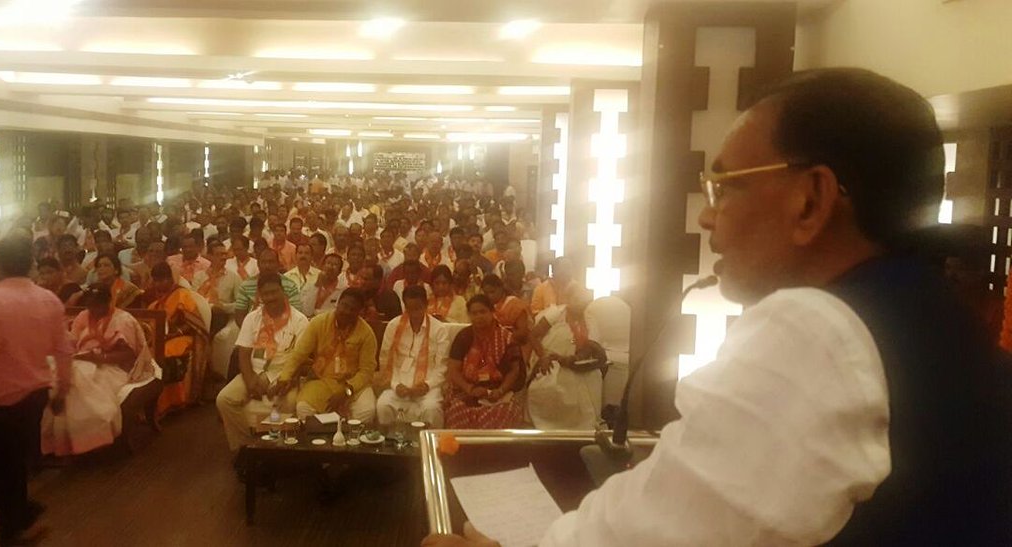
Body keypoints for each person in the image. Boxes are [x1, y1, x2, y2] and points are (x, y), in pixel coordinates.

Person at [429, 68, 1012, 547]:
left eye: (726, 186)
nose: (708, 216)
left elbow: (650, 533)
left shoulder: (815, 332)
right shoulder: (936, 322)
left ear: (811, 200)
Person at [0, 234, 73, 545]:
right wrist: (62, 390)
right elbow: (64, 350)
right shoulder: (48, 300)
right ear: (30, 264)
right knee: (12, 464)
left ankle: (20, 514)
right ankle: (14, 524)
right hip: (35, 393)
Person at [41, 284, 155, 457]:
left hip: (112, 368)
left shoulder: (123, 320)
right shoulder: (83, 316)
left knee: (79, 384)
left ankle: (89, 439)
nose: (92, 310)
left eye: (97, 305)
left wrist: (99, 358)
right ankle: (62, 440)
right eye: (89, 305)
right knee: (57, 374)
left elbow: (129, 354)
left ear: (108, 302)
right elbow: (73, 343)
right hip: (82, 361)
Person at [216, 272, 309, 452]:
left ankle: (281, 450)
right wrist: (250, 380)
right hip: (255, 371)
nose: (270, 297)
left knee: (290, 403)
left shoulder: (299, 320)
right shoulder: (253, 318)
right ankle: (244, 448)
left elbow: (300, 360)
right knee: (224, 399)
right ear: (259, 295)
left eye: (274, 292)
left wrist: (286, 381)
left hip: (283, 374)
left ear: (283, 291)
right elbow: (243, 354)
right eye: (266, 294)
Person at [272, 288, 377, 422]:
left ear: (360, 312)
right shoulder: (319, 323)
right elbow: (299, 354)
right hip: (322, 380)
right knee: (304, 408)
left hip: (353, 385)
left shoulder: (366, 333)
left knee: (367, 411)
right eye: (344, 306)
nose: (347, 311)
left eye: (353, 309)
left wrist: (346, 391)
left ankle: (347, 434)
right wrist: (285, 377)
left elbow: (366, 372)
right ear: (337, 304)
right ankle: (323, 434)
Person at [525, 282, 606, 430]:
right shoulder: (556, 313)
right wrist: (543, 357)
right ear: (568, 299)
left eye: (583, 300)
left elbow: (592, 346)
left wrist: (574, 359)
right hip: (551, 362)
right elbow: (533, 336)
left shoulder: (590, 319)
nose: (580, 303)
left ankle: (581, 430)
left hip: (578, 365)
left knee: (592, 379)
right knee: (548, 386)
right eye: (577, 299)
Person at [442, 295, 525, 429]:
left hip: (498, 393)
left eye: (483, 312)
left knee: (504, 414)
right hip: (467, 391)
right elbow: (453, 370)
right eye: (474, 313)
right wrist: (470, 389)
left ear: (492, 312)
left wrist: (500, 391)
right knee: (456, 411)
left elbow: (514, 370)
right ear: (469, 315)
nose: (479, 317)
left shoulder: (507, 338)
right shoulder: (463, 337)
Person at [374, 286, 449, 428]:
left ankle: (429, 441)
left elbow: (442, 366)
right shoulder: (394, 325)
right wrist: (396, 384)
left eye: (418, 308)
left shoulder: (439, 329)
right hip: (399, 385)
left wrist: (427, 385)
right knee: (383, 405)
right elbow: (386, 361)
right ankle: (390, 441)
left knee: (431, 409)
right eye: (410, 309)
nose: (414, 314)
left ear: (426, 304)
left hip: (428, 387)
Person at [147, 262, 209, 416]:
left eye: (162, 280)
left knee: (161, 354)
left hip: (182, 337)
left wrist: (176, 334)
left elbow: (193, 323)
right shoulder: (155, 300)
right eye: (156, 280)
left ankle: (170, 401)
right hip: (160, 338)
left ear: (170, 279)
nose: (158, 284)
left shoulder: (182, 295)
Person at [233, 248, 303, 323]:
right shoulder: (246, 286)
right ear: (258, 264)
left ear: (278, 264)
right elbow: (239, 316)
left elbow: (296, 313)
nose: (267, 265)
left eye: (271, 262)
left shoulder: (290, 285)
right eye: (263, 262)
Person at [68, 254, 142, 309]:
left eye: (106, 265)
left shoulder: (129, 290)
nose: (101, 269)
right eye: (99, 266)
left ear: (116, 270)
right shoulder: (93, 289)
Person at [480, 273, 531, 343]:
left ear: (501, 288)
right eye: (486, 293)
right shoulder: (487, 307)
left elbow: (523, 333)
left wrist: (501, 335)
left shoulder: (515, 304)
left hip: (517, 345)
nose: (489, 296)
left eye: (492, 292)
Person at [302, 252, 345, 317]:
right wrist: (316, 286)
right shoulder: (309, 284)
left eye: (335, 265)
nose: (330, 267)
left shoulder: (343, 289)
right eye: (328, 263)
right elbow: (306, 311)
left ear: (339, 271)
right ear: (322, 267)